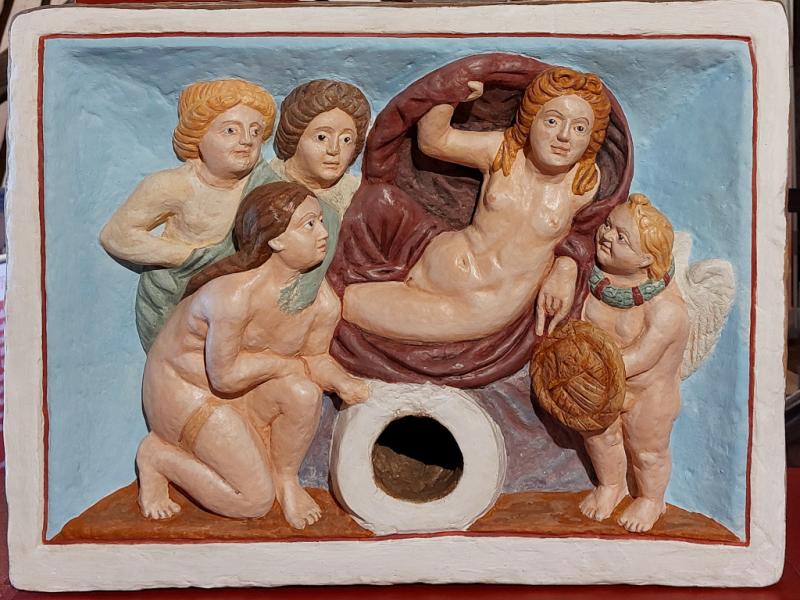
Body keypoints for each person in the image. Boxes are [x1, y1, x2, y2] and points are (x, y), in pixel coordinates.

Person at [135, 181, 369, 530]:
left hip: (244, 390)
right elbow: (225, 377)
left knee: (304, 393)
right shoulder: (233, 297)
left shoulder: (322, 302)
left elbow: (315, 359)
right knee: (252, 501)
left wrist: (343, 382)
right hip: (187, 393)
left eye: (321, 222)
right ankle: (158, 457)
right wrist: (286, 365)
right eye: (308, 224)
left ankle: (286, 478)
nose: (323, 233)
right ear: (276, 239)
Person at [341, 67, 611, 344]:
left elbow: (591, 234)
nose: (564, 136)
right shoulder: (504, 150)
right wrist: (453, 92)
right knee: (376, 202)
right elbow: (435, 141)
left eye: (580, 128)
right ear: (531, 120)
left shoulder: (584, 183)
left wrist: (566, 268)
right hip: (428, 255)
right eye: (552, 121)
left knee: (346, 304)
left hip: (475, 306)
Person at [99, 79, 276, 351]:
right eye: (230, 130)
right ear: (197, 135)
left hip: (242, 302)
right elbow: (117, 235)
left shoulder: (264, 185)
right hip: (178, 298)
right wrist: (193, 258)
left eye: (255, 131)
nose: (246, 140)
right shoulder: (173, 185)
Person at [579, 194, 689, 533]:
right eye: (608, 225)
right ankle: (611, 486)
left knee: (647, 452)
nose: (607, 236)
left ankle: (651, 499)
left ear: (646, 259)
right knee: (600, 437)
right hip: (604, 386)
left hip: (648, 395)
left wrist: (585, 370)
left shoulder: (666, 310)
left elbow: (640, 358)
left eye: (621, 237)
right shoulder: (594, 287)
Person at [243, 79, 371, 315]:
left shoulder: (359, 196)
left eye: (346, 140)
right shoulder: (263, 183)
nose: (334, 150)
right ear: (295, 136)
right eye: (322, 137)